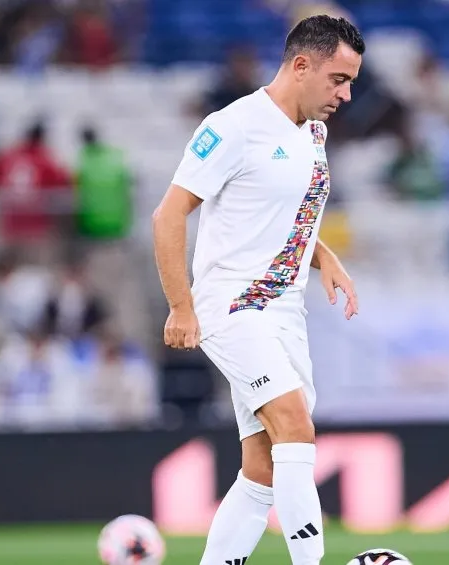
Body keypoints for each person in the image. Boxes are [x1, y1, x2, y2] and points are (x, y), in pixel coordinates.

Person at [151, 15, 363, 565]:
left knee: (263, 467)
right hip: (233, 305)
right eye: (339, 79)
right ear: (301, 65)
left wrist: (324, 255)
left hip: (284, 310)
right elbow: (168, 215)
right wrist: (180, 306)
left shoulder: (313, 131)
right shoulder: (233, 127)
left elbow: (282, 211)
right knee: (295, 425)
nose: (346, 95)